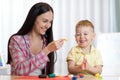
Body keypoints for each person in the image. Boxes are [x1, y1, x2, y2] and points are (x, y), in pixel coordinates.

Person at [7, 2, 65, 76]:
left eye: (50, 22)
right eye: (44, 21)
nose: (48, 26)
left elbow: (48, 73)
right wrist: (47, 50)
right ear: (33, 19)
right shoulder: (16, 40)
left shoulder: (46, 42)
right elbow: (20, 70)